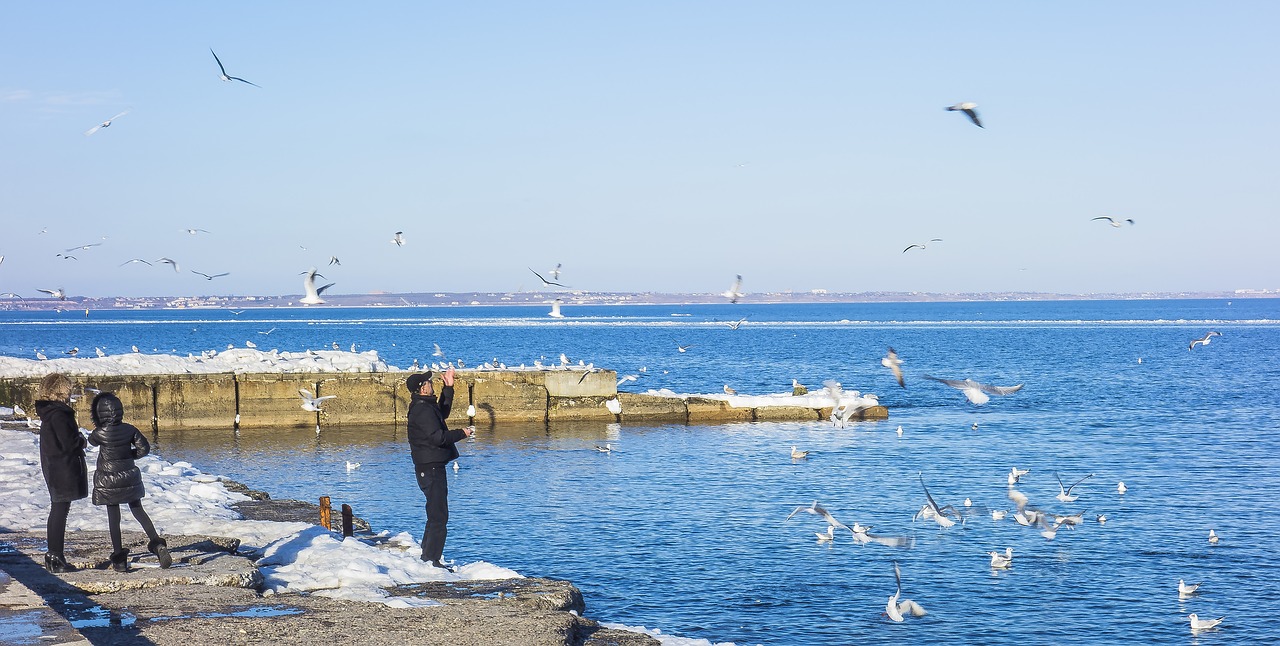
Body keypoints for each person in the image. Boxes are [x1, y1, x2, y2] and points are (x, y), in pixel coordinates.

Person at [87, 391, 172, 572]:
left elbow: (91, 442)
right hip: (129, 476)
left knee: (114, 517)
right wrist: (129, 456)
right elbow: (144, 449)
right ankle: (157, 545)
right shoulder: (130, 429)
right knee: (138, 510)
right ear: (120, 411)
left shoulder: (99, 433)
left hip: (108, 480)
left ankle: (119, 558)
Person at [406, 366, 472, 569]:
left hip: (432, 467)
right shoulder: (421, 410)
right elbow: (438, 437)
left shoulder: (425, 406)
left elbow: (442, 412)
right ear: (422, 389)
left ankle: (428, 556)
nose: (431, 383)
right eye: (429, 382)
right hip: (430, 468)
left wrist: (448, 387)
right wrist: (462, 433)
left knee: (436, 513)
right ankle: (432, 560)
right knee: (438, 515)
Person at [34, 373, 88, 573]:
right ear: (61, 391)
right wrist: (81, 440)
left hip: (55, 466)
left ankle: (55, 555)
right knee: (59, 509)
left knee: (59, 509)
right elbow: (68, 443)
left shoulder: (50, 414)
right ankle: (55, 555)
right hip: (61, 468)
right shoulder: (59, 414)